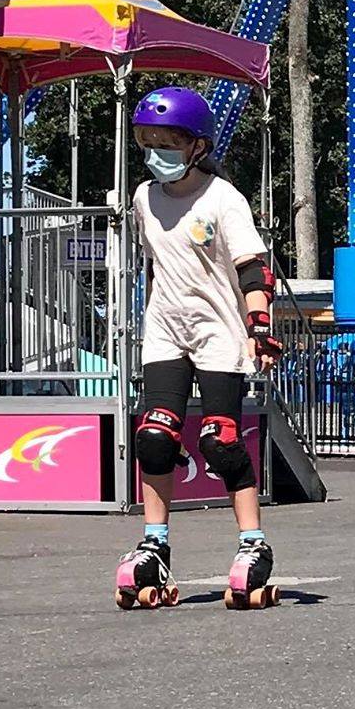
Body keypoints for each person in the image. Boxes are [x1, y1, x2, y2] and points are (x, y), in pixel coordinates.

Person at [114, 87, 283, 609]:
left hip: (217, 330)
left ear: (196, 146)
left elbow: (252, 268)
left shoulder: (222, 199)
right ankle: (154, 546)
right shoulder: (144, 198)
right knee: (155, 438)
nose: (154, 151)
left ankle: (253, 546)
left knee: (220, 439)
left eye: (166, 141)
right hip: (166, 326)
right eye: (146, 140)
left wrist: (259, 325)